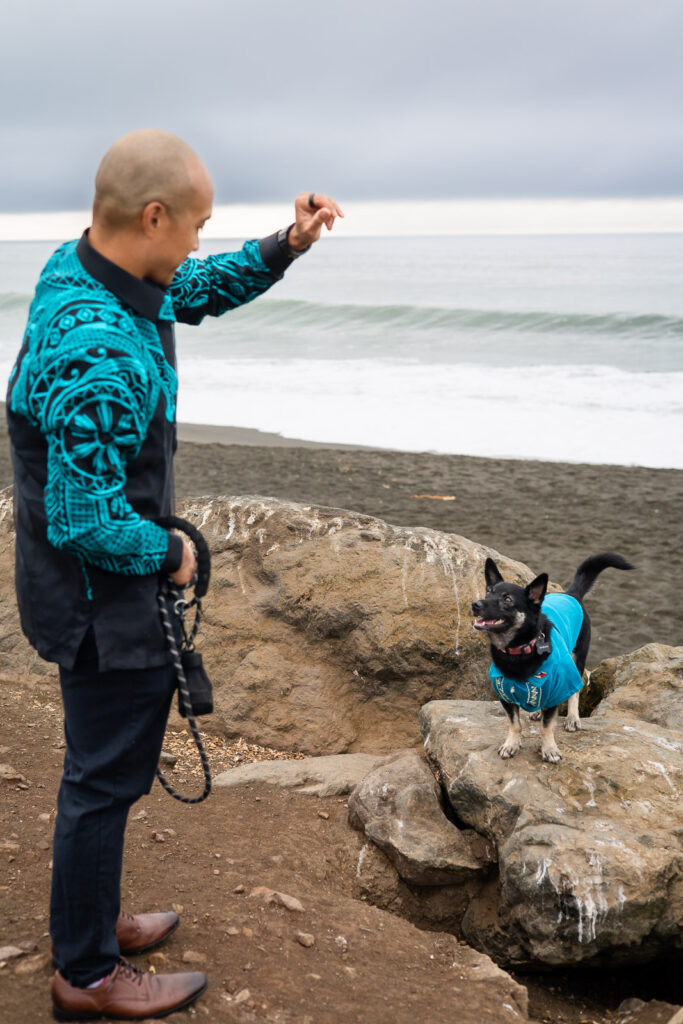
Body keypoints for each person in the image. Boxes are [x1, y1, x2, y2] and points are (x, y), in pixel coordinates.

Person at [6, 129, 342, 1021]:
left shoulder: (84, 270)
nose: (197, 243)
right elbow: (84, 520)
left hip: (75, 593)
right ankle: (85, 973)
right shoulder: (100, 351)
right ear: (151, 217)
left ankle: (94, 922)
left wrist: (283, 246)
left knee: (98, 774)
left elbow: (189, 288)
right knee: (102, 781)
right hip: (99, 605)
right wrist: (174, 553)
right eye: (193, 225)